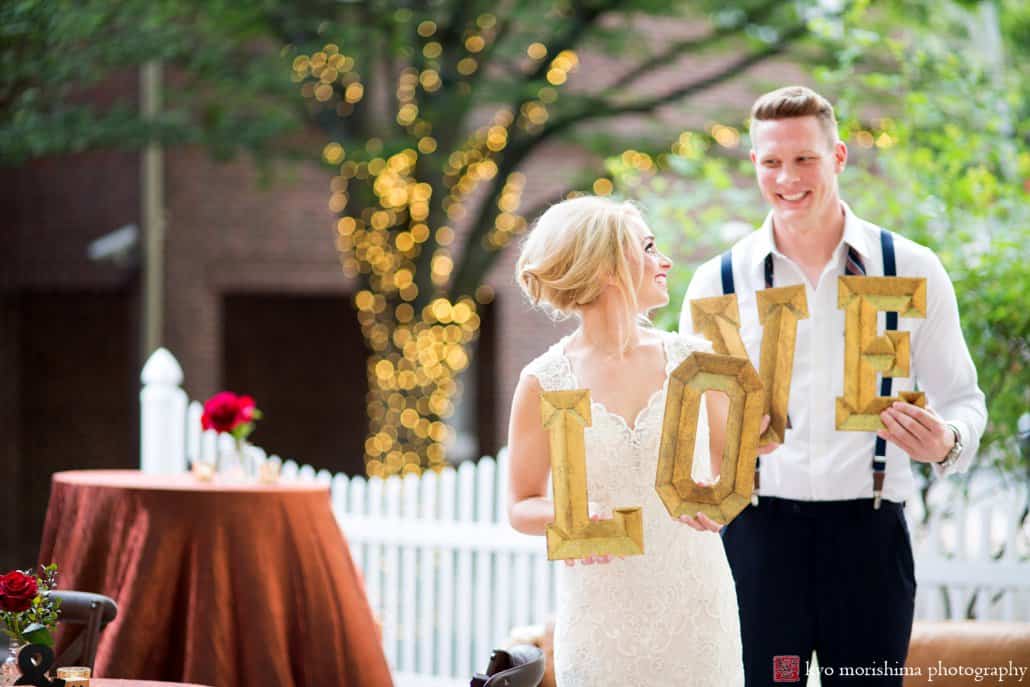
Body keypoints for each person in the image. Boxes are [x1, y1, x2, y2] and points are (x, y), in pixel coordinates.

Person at [679, 86, 987, 686]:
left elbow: (964, 400)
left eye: (805, 160)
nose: (787, 178)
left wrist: (945, 441)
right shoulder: (718, 281)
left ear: (839, 157)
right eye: (772, 162)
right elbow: (694, 417)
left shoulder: (912, 268)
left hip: (868, 543)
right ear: (754, 165)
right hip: (759, 544)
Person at [506, 195, 753, 686]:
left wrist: (721, 501)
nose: (664, 261)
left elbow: (734, 477)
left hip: (698, 610)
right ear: (608, 268)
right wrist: (571, 516)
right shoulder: (544, 380)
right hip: (600, 621)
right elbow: (521, 506)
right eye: (648, 247)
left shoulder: (697, 362)